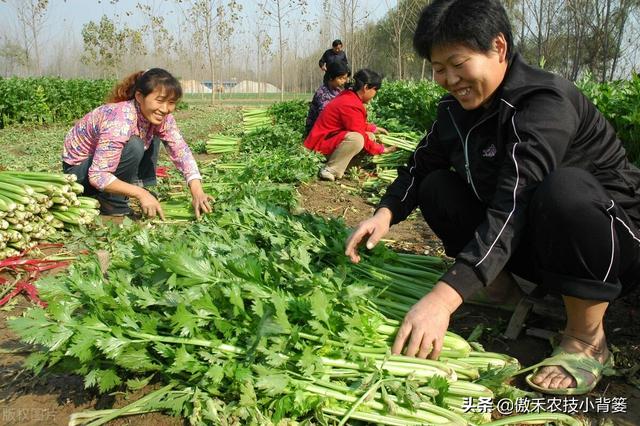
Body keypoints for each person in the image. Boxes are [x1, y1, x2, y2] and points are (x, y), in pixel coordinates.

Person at [345, 0, 640, 396]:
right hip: (540, 244)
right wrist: (385, 213)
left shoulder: (544, 102)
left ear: (498, 48)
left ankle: (587, 338)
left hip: (610, 249)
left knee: (563, 189)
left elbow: (514, 201)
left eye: (458, 63)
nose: (449, 79)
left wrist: (442, 299)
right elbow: (420, 164)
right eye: (438, 68)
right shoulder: (455, 110)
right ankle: (502, 291)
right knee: (436, 185)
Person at [62, 68, 213, 219]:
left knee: (151, 132)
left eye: (171, 102)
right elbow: (98, 175)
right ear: (139, 96)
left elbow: (181, 150)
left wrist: (197, 190)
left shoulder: (160, 117)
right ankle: (111, 201)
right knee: (134, 144)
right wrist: (141, 194)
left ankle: (137, 185)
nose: (165, 109)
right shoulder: (119, 119)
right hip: (78, 176)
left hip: (99, 167)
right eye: (160, 101)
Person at [304, 68, 393, 182]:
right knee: (357, 139)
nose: (375, 94)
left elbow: (354, 124)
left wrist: (374, 128)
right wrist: (382, 150)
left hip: (329, 139)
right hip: (319, 145)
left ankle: (347, 166)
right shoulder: (350, 103)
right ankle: (330, 169)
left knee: (369, 136)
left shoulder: (349, 96)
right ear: (366, 87)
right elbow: (359, 132)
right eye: (376, 90)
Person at [304, 61, 350, 136]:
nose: (343, 81)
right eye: (340, 78)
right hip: (318, 131)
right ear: (331, 77)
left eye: (345, 78)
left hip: (333, 127)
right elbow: (326, 117)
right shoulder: (322, 93)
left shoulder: (339, 90)